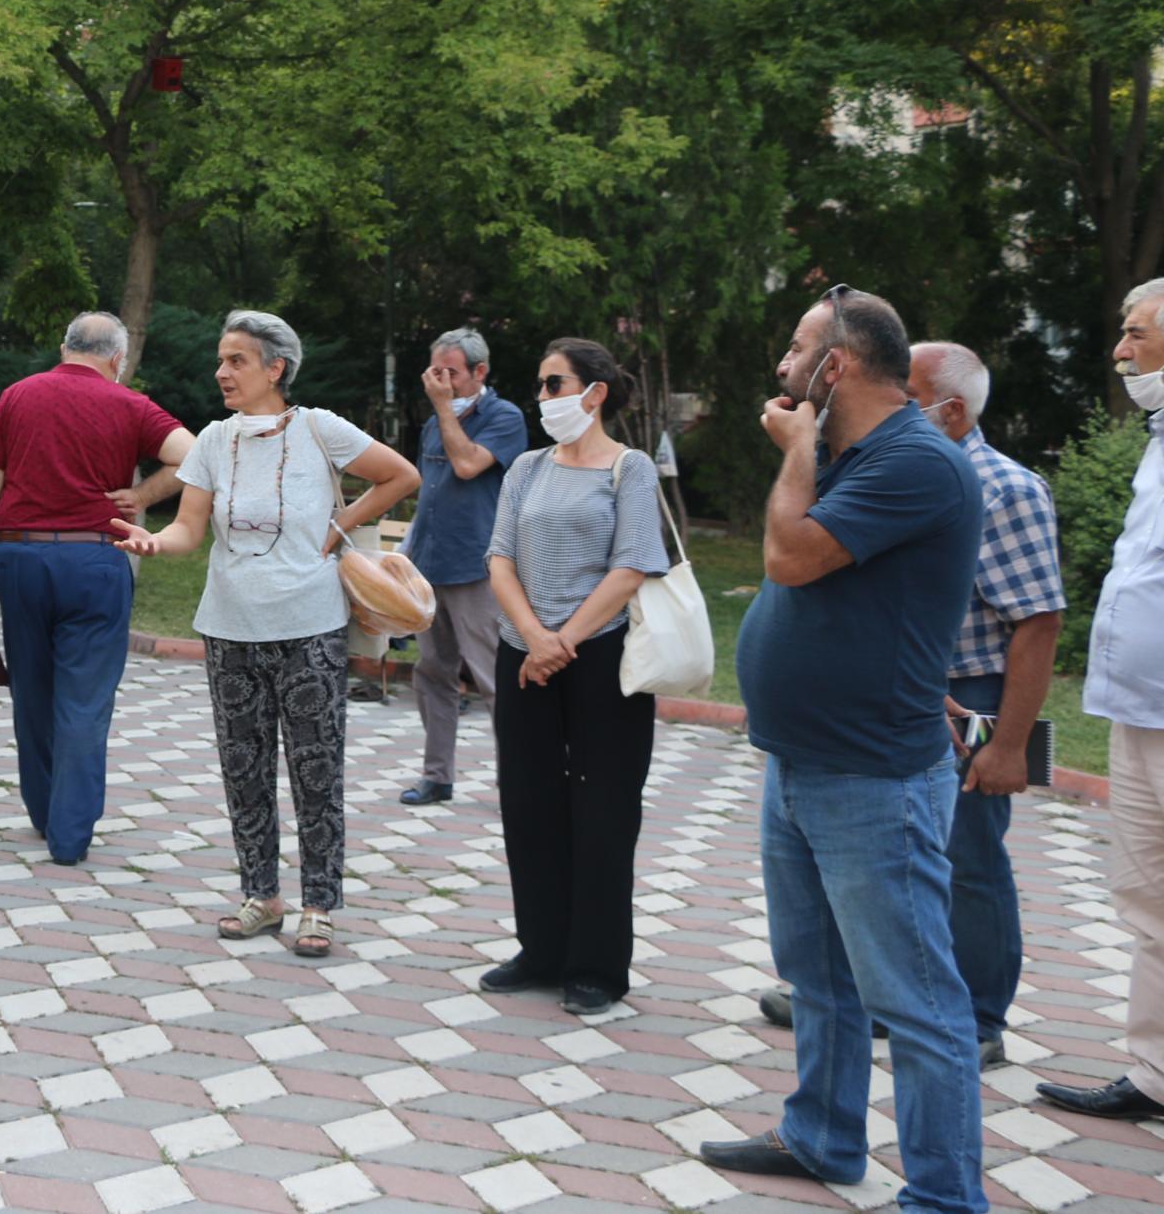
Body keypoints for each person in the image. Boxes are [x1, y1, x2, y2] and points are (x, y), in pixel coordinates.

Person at [700, 288, 986, 1214]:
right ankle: (823, 1135)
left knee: (916, 1000)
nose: (781, 367)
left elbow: (790, 556)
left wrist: (795, 451)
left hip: (873, 778)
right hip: (803, 760)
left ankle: (945, 1196)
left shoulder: (915, 461)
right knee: (819, 976)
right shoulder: (856, 455)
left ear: (837, 365)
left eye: (796, 350)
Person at [759, 341, 1060, 1067]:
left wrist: (1009, 743)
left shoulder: (1005, 487)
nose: (891, 403)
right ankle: (862, 996)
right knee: (881, 869)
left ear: (951, 411)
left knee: (970, 856)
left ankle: (978, 1015)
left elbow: (1038, 620)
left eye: (910, 394)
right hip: (903, 686)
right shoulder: (881, 465)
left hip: (971, 691)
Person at [112, 311, 417, 957]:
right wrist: (155, 541)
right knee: (243, 767)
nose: (221, 372)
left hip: (310, 627)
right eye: (221, 360)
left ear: (275, 368)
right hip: (229, 628)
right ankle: (262, 896)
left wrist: (341, 524)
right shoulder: (214, 440)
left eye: (237, 361)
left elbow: (401, 475)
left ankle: (319, 905)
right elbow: (189, 528)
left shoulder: (319, 428)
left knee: (316, 770)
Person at [0, 313, 196, 866]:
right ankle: (70, 834)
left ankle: (43, 811)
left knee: (32, 690)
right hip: (95, 560)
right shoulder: (131, 404)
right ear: (117, 359)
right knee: (85, 699)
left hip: (23, 559)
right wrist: (142, 497)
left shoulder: (17, 397)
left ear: (64, 348)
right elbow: (195, 455)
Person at [477, 339, 671, 1014]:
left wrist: (564, 640)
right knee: (527, 802)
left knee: (604, 808)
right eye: (540, 384)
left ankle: (596, 965)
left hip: (603, 656)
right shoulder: (527, 467)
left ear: (596, 392)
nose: (543, 396)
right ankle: (541, 949)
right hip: (523, 652)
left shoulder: (629, 467)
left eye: (554, 383)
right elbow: (499, 557)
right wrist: (535, 637)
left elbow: (633, 564)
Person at [1039, 281, 1164, 1121]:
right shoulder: (1157, 441)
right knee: (1147, 895)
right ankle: (1156, 1074)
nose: (1120, 351)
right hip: (1137, 706)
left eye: (1136, 334)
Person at [397, 327, 529, 805]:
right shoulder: (438, 419)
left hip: (478, 567)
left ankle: (518, 782)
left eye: (451, 372)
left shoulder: (504, 416)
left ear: (480, 372)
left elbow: (468, 464)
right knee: (433, 673)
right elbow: (428, 492)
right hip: (430, 564)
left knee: (494, 677)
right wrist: (406, 556)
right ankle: (437, 776)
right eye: (435, 371)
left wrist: (442, 409)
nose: (441, 381)